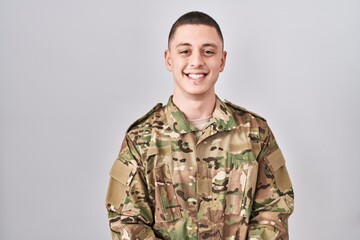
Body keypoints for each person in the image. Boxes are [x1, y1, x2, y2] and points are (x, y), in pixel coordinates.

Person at [106, 11, 294, 240]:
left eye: (208, 52)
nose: (196, 61)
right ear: (168, 59)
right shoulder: (141, 139)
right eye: (185, 51)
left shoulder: (255, 132)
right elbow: (127, 221)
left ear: (222, 60)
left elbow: (274, 211)